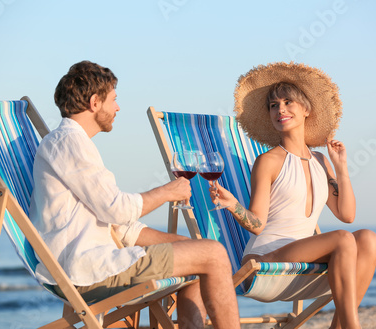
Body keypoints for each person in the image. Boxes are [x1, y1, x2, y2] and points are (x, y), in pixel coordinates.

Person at [28, 60, 241, 329]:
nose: (117, 107)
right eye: (113, 100)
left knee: (198, 252)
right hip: (86, 271)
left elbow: (113, 222)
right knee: (214, 254)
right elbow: (116, 209)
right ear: (95, 103)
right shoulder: (69, 142)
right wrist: (167, 192)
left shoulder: (74, 144)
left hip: (93, 259)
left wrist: (176, 241)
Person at [209, 62, 376, 329]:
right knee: (342, 240)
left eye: (288, 102)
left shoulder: (322, 161)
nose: (281, 110)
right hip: (266, 257)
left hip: (304, 257)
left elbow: (347, 215)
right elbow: (257, 224)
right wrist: (233, 205)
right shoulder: (268, 161)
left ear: (306, 110)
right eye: (274, 105)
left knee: (368, 239)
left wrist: (341, 166)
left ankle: (342, 326)